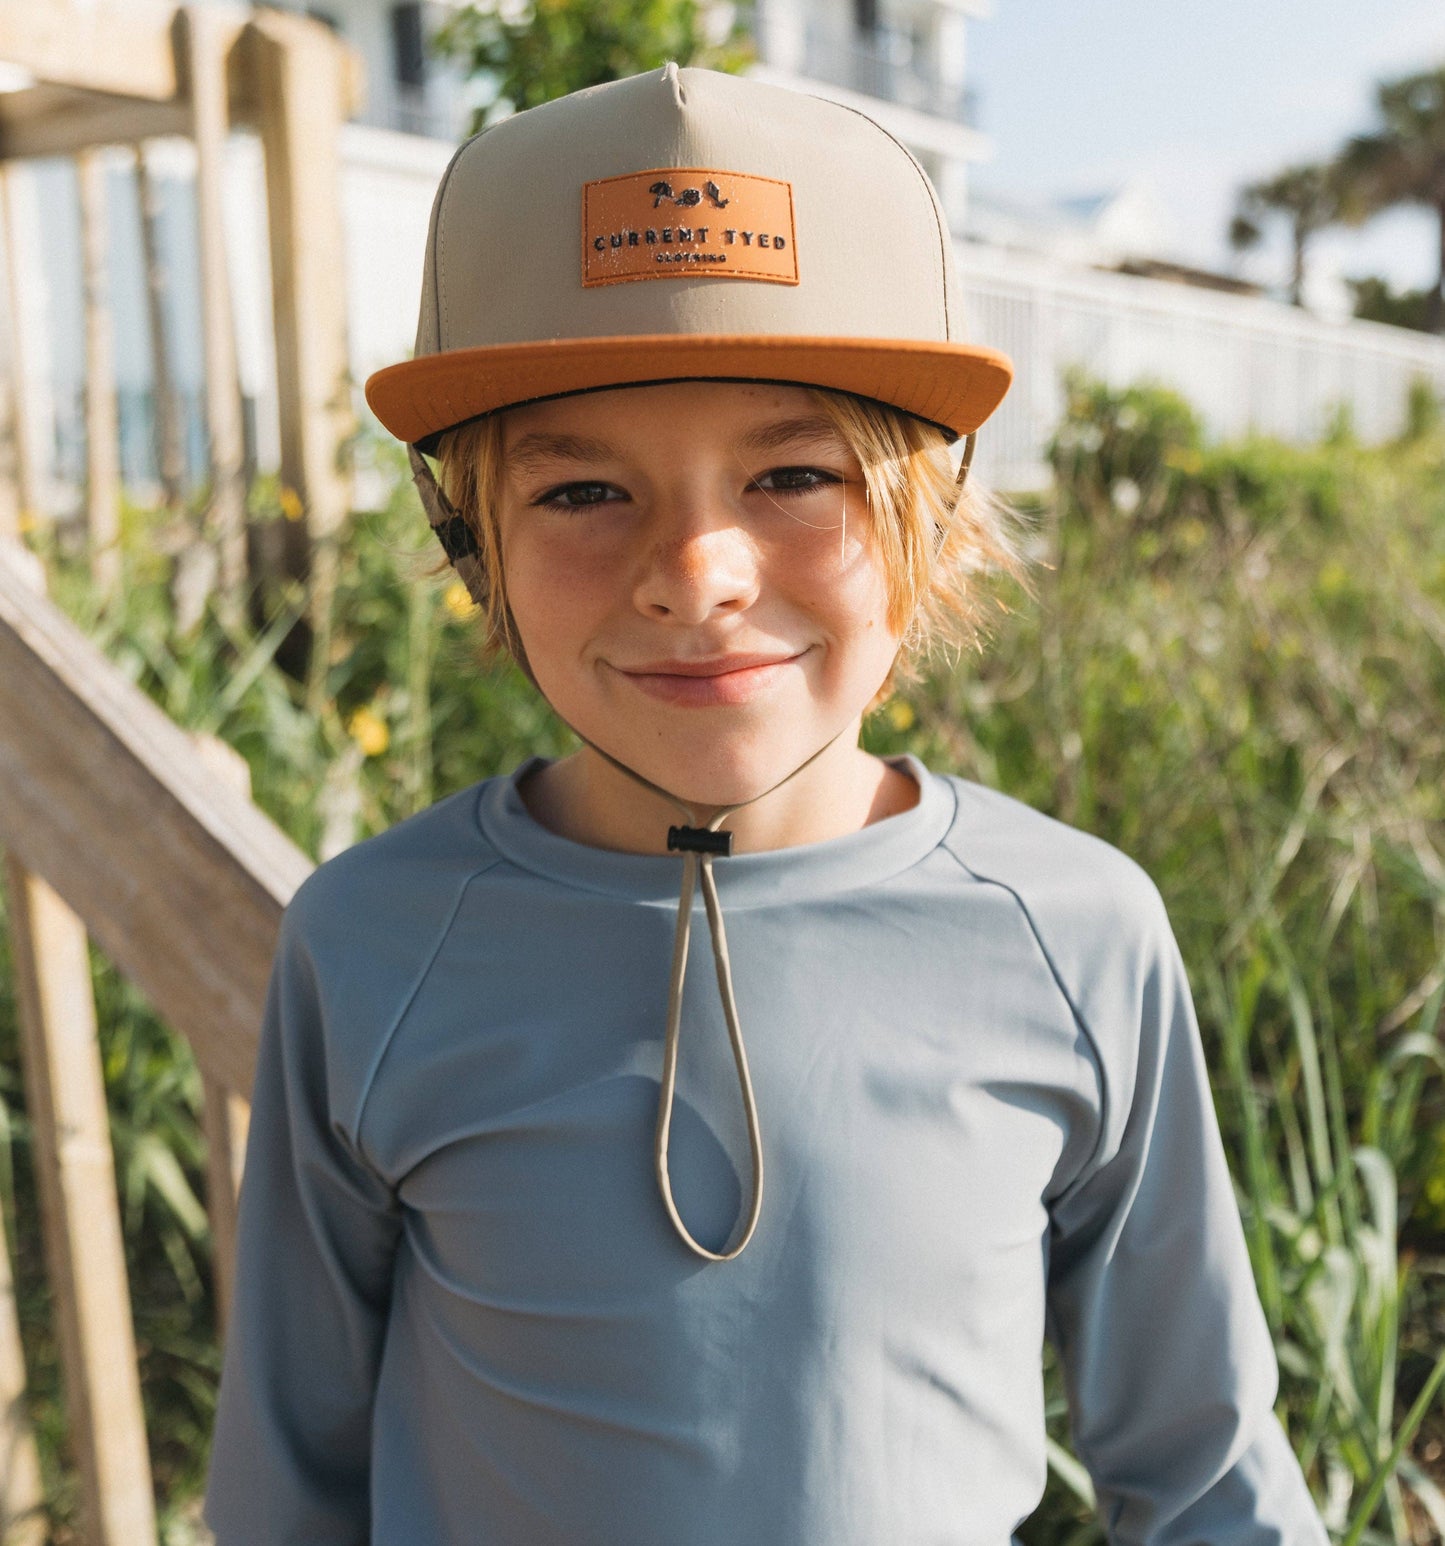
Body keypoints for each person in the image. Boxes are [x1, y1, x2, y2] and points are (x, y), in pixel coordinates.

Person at [203, 62, 1331, 1545]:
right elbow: (287, 1484)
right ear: (467, 537)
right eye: (580, 493)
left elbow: (1203, 1481)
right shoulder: (369, 941)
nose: (697, 570)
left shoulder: (1071, 931)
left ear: (933, 517)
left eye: (794, 472)